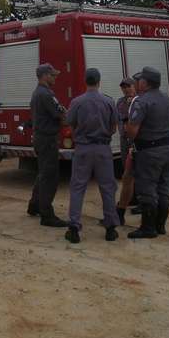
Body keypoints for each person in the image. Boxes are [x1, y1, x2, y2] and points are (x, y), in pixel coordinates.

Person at [64, 68, 120, 243]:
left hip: (83, 148)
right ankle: (111, 228)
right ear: (99, 81)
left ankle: (74, 227)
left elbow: (70, 124)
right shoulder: (109, 102)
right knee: (107, 187)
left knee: (78, 187)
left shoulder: (77, 102)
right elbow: (114, 127)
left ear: (85, 81)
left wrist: (79, 137)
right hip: (103, 149)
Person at [125, 66, 169, 239]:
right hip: (168, 149)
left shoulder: (142, 101)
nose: (137, 82)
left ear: (145, 83)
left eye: (140, 80)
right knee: (164, 189)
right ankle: (160, 225)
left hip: (149, 152)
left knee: (147, 189)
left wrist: (128, 130)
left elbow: (132, 131)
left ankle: (148, 228)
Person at [27, 63, 69, 227]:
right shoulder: (46, 94)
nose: (55, 78)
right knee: (50, 177)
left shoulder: (37, 93)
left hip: (40, 137)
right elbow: (60, 114)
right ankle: (47, 215)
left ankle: (35, 205)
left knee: (43, 173)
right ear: (44, 76)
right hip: (47, 139)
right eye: (52, 75)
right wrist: (66, 115)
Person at [115, 77, 137, 226]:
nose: (126, 89)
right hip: (125, 139)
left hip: (136, 139)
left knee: (138, 170)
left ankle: (140, 198)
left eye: (128, 86)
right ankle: (131, 197)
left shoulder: (139, 101)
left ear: (134, 86)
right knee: (126, 168)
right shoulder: (120, 102)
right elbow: (118, 119)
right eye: (123, 87)